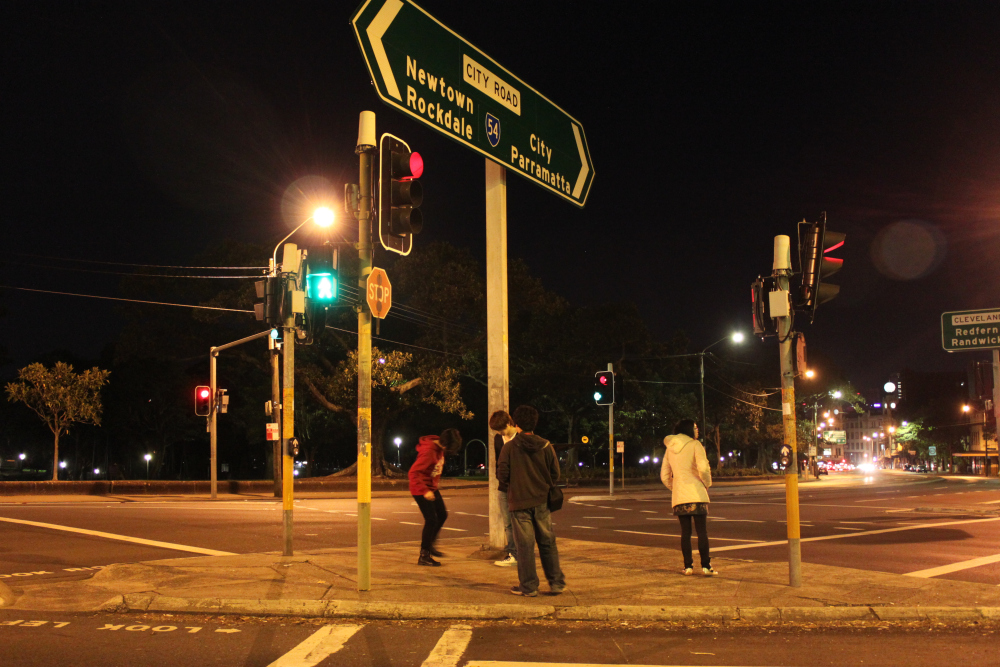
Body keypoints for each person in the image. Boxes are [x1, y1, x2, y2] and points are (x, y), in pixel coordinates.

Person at [497, 405, 565, 597]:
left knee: (524, 546)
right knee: (547, 542)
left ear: (515, 424)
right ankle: (556, 583)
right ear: (534, 423)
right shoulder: (546, 445)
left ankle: (529, 586)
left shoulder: (509, 448)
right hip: (542, 501)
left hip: (519, 503)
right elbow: (555, 474)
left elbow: (502, 475)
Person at [661, 419, 718, 576]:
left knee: (685, 532)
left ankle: (688, 567)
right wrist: (706, 484)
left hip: (680, 496)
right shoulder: (695, 445)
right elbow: (703, 468)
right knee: (702, 532)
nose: (697, 430)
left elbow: (664, 476)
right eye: (695, 427)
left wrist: (676, 486)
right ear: (688, 429)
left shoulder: (669, 449)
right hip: (696, 493)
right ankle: (706, 566)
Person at [408, 428, 463, 566]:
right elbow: (413, 473)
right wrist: (425, 491)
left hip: (431, 487)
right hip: (420, 488)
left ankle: (430, 544)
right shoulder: (428, 452)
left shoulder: (439, 446)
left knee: (442, 515)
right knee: (431, 520)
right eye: (448, 449)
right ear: (444, 444)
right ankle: (424, 555)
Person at [489, 409, 520, 567]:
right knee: (507, 523)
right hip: (503, 487)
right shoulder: (497, 439)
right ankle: (512, 554)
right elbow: (498, 461)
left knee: (521, 522)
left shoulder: (520, 437)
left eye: (502, 429)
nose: (501, 433)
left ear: (509, 423)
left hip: (520, 487)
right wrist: (500, 477)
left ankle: (523, 553)